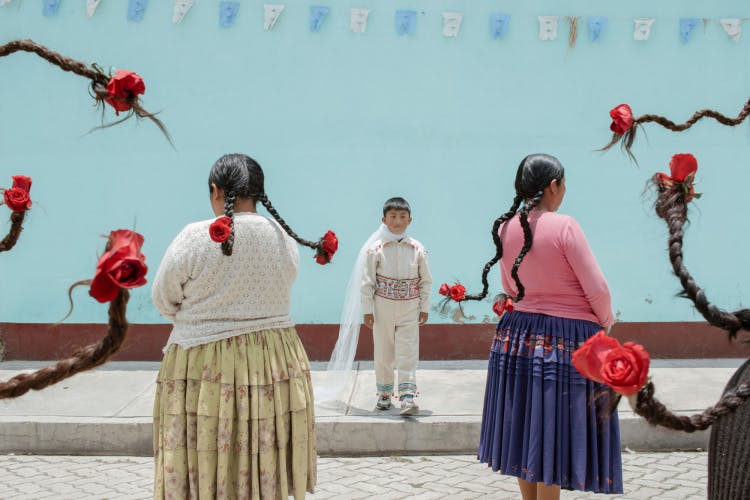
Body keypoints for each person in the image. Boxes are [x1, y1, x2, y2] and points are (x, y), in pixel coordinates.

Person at [151, 153, 336, 499]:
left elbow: (163, 297)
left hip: (204, 362)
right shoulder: (282, 238)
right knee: (264, 451)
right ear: (260, 193)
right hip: (275, 360)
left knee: (208, 447)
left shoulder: (194, 237)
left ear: (215, 190)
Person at [458, 154, 621, 499]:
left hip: (517, 335)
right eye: (563, 184)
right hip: (567, 338)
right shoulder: (565, 226)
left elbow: (511, 285)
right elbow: (597, 288)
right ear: (553, 186)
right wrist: (605, 323)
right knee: (553, 430)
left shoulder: (506, 227)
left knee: (527, 426)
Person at [361, 197, 432, 416]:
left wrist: (424, 307)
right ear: (384, 219)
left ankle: (407, 397)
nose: (397, 221)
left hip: (410, 307)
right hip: (383, 307)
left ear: (410, 220)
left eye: (402, 217)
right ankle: (384, 394)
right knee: (383, 351)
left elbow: (426, 280)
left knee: (408, 350)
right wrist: (367, 310)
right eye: (392, 216)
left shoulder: (418, 248)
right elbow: (367, 282)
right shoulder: (375, 250)